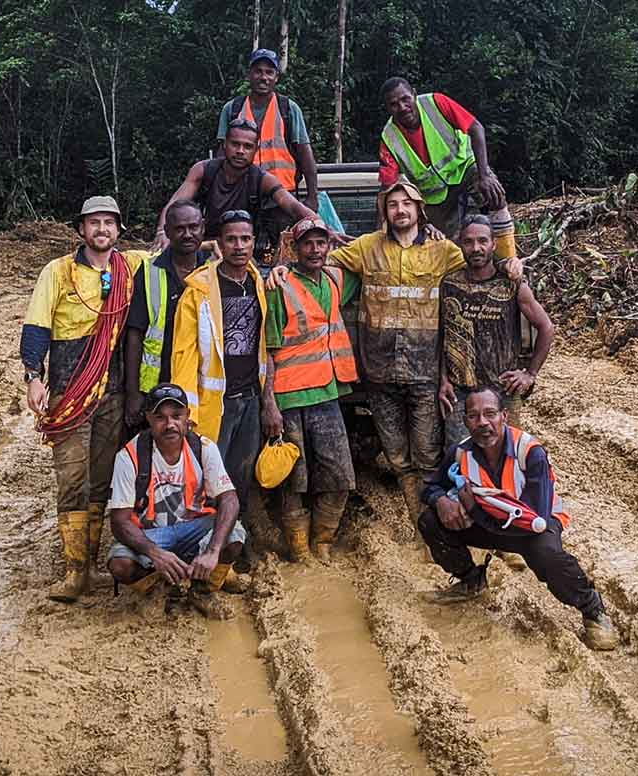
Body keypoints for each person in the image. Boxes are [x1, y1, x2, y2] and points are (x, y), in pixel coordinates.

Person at [321, 180, 518, 525]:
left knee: (427, 454)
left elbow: (481, 262)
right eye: (393, 204)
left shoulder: (443, 252)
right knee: (398, 455)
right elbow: (320, 262)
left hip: (425, 372)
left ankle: (431, 527)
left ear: (418, 210)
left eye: (406, 204)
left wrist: (508, 264)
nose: (399, 210)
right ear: (385, 211)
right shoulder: (366, 247)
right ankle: (419, 519)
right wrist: (283, 269)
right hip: (379, 371)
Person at [418, 385, 620, 651]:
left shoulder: (531, 452)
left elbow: (535, 518)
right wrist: (441, 500)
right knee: (430, 521)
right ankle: (471, 580)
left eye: (490, 414)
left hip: (534, 525)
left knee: (547, 557)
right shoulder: (461, 451)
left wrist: (474, 511)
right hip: (490, 521)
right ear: (465, 421)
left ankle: (593, 610)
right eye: (474, 416)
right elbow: (430, 487)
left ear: (504, 416)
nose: (483, 423)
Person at [21, 196, 148, 603]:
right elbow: (37, 327)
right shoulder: (57, 272)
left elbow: (184, 249)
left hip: (113, 394)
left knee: (103, 480)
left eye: (110, 223)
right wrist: (33, 379)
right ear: (81, 230)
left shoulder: (133, 266)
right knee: (72, 479)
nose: (102, 230)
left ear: (119, 230)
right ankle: (76, 570)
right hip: (69, 393)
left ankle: (92, 564)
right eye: (94, 223)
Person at [170, 210, 271, 569]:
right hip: (214, 405)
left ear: (254, 242)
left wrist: (267, 400)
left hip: (249, 399)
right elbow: (183, 354)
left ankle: (234, 546)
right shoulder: (199, 289)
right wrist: (186, 413)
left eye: (246, 239)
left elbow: (265, 347)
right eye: (232, 239)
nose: (239, 246)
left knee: (241, 477)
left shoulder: (260, 282)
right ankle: (202, 549)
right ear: (219, 243)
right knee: (210, 480)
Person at [262, 217, 360, 562]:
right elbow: (270, 351)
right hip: (289, 399)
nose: (316, 250)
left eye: (322, 243)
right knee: (293, 479)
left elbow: (372, 259)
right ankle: (300, 548)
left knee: (339, 474)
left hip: (328, 393)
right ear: (294, 248)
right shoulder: (280, 285)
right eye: (308, 243)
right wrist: (269, 403)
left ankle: (323, 541)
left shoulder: (335, 279)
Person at [106, 383, 248, 606]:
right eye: (160, 417)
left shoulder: (203, 448)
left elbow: (229, 499)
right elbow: (119, 521)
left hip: (195, 527)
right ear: (149, 419)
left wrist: (212, 551)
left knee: (233, 539)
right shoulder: (129, 456)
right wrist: (155, 553)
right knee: (120, 565)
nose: (169, 424)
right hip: (152, 534)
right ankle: (161, 588)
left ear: (187, 417)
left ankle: (202, 590)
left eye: (176, 416)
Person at [438, 214, 556, 445]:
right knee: (460, 457)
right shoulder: (449, 284)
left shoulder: (511, 283)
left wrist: (530, 373)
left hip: (502, 390)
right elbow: (444, 336)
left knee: (507, 453)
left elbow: (546, 327)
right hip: (461, 392)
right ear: (460, 244)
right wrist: (444, 379)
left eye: (483, 241)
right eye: (469, 242)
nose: (476, 248)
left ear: (494, 244)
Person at [376, 77, 515, 250]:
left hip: (465, 168)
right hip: (434, 198)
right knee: (442, 244)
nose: (402, 107)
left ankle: (507, 257)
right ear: (388, 108)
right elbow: (386, 187)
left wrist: (484, 174)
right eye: (394, 104)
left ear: (414, 93)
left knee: (494, 194)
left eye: (405, 99)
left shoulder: (436, 103)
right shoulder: (389, 137)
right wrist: (380, 231)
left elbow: (476, 128)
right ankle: (463, 271)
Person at [156, 118, 320, 262]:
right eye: (235, 144)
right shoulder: (204, 170)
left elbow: (293, 206)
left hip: (241, 253)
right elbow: (174, 205)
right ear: (225, 144)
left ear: (255, 150)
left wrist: (321, 227)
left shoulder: (262, 179)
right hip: (203, 249)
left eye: (247, 146)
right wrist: (161, 233)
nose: (240, 151)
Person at [122, 200, 209, 427]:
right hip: (156, 385)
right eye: (180, 229)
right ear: (168, 231)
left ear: (203, 228)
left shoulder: (214, 269)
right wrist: (133, 393)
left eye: (193, 227)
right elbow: (135, 334)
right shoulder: (149, 272)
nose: (188, 234)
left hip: (201, 383)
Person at [216, 48, 319, 208]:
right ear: (249, 74)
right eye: (258, 72)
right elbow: (221, 155)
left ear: (276, 77)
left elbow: (305, 153)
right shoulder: (232, 109)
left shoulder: (288, 109)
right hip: (240, 195)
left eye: (269, 72)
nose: (263, 77)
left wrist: (313, 197)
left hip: (282, 197)